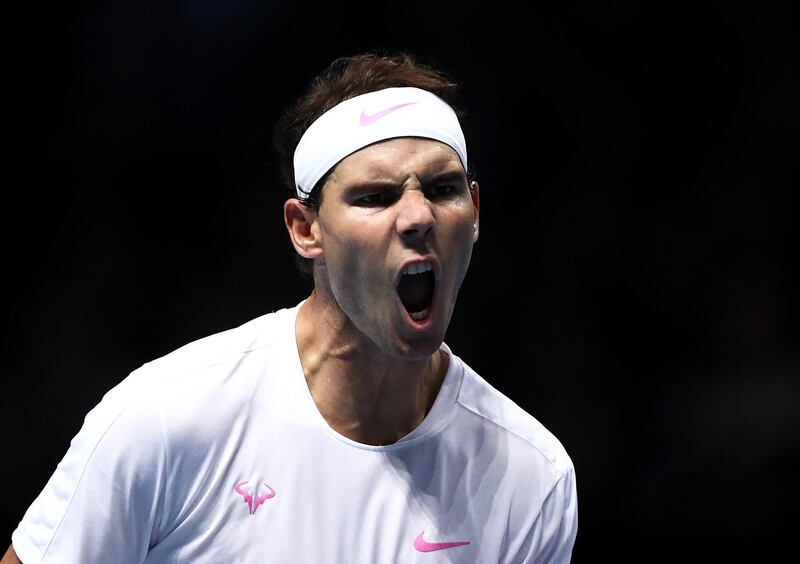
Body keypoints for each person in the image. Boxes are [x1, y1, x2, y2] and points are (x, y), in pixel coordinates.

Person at [3, 52, 577, 563]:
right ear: (306, 229)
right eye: (375, 196)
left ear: (474, 211)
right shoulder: (165, 418)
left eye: (443, 189)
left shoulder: (531, 479)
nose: (419, 217)